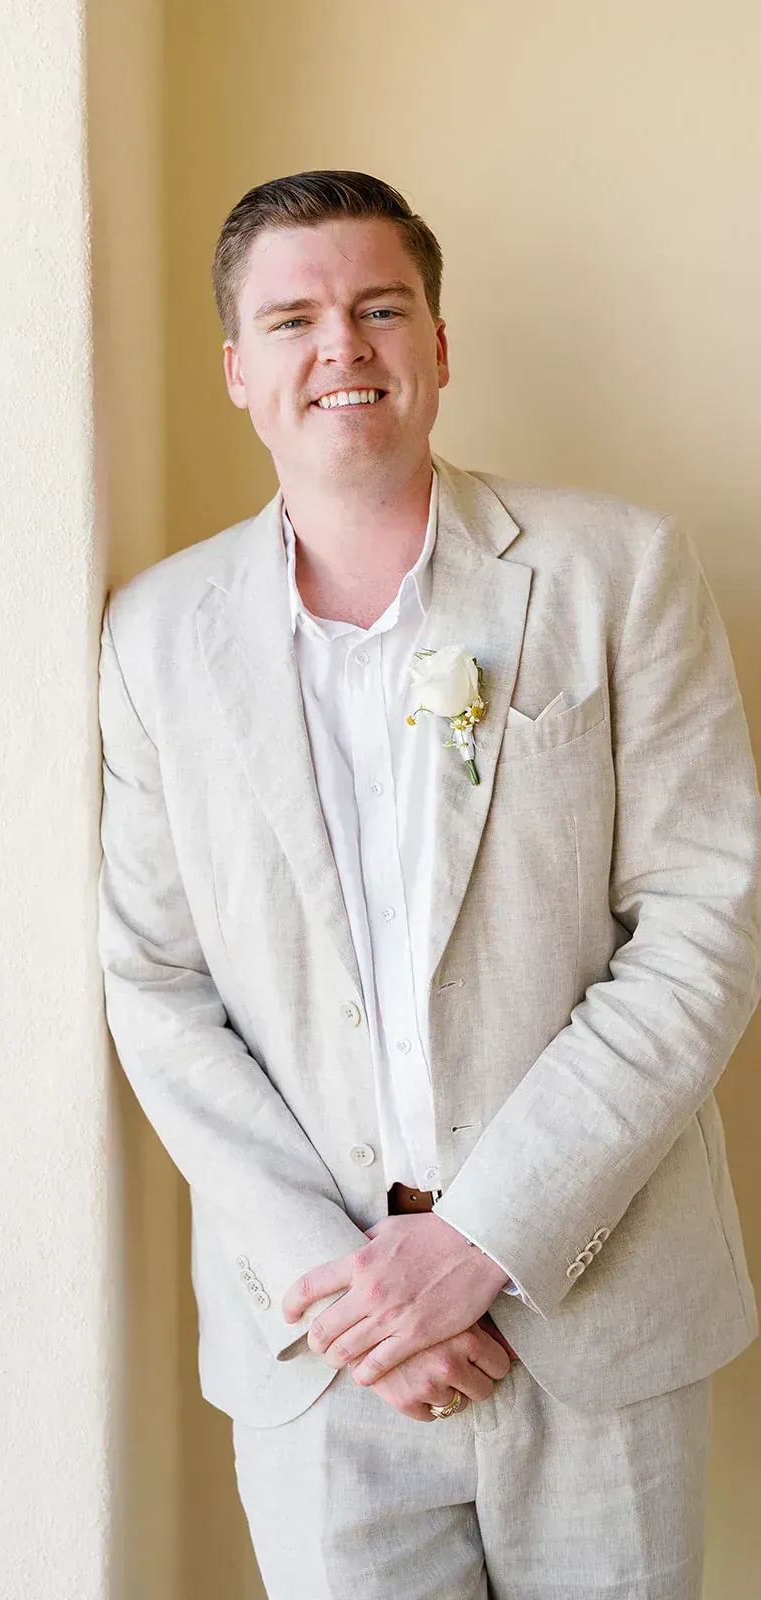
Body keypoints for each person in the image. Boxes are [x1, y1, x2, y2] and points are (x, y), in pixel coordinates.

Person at [96, 169, 761, 1598]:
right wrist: (345, 1290)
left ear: (437, 345)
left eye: (377, 307)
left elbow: (704, 924)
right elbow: (155, 981)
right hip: (321, 1353)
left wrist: (482, 1243)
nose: (341, 347)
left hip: (596, 1322)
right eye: (292, 319)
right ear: (238, 372)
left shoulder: (616, 571)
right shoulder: (153, 641)